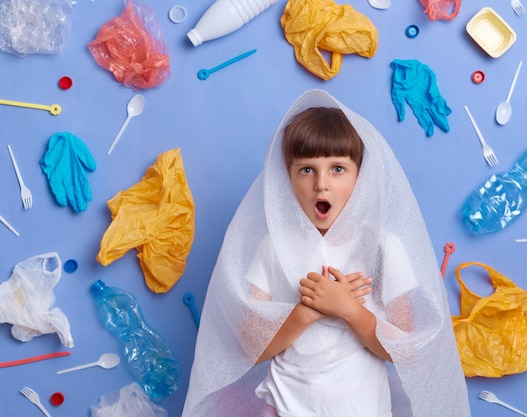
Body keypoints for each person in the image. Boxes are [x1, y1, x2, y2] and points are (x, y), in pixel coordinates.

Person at [182, 89, 470, 417]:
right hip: (282, 409)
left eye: (337, 169)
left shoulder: (383, 248)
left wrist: (346, 307)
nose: (322, 184)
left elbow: (403, 349)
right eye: (307, 170)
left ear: (360, 175)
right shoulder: (273, 246)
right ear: (286, 178)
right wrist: (308, 310)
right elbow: (250, 345)